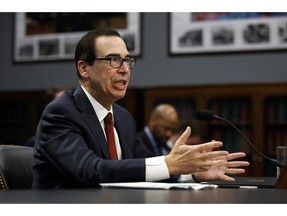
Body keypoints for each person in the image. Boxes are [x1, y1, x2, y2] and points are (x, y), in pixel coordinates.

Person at [32, 28, 249, 189]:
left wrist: (192, 173)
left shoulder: (123, 118)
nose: (125, 69)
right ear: (84, 68)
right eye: (113, 60)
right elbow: (89, 171)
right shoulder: (60, 113)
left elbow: (146, 166)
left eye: (127, 60)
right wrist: (170, 164)